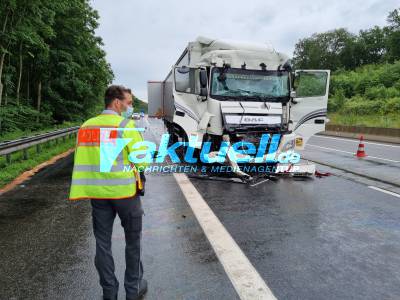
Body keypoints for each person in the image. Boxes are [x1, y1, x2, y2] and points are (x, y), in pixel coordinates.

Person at [69, 85, 148, 300]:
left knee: (102, 244)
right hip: (125, 195)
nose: (130, 107)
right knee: (133, 242)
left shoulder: (86, 126)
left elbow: (84, 158)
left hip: (98, 195)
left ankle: (109, 292)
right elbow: (142, 161)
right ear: (116, 102)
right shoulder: (126, 126)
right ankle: (133, 290)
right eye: (129, 103)